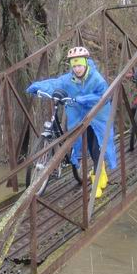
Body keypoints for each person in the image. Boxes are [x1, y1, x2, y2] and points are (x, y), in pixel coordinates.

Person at [26, 46, 118, 199]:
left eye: (80, 65)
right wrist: (37, 87)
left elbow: (102, 96)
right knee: (86, 143)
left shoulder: (96, 78)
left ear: (86, 63)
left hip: (98, 115)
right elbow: (55, 83)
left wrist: (81, 99)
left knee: (97, 146)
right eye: (74, 66)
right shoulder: (69, 78)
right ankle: (99, 172)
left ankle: (97, 182)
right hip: (80, 116)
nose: (77, 69)